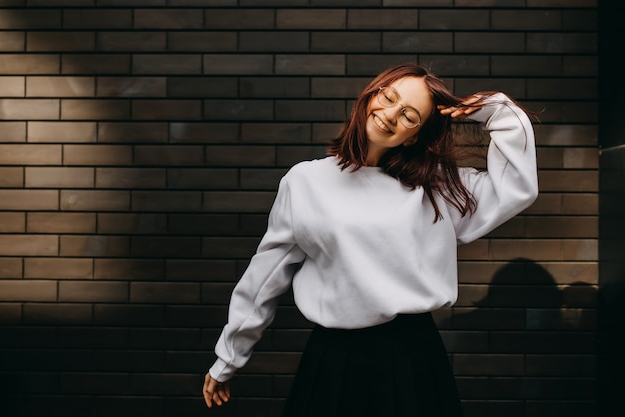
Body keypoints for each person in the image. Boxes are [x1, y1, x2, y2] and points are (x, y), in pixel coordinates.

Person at [202, 62, 539, 417]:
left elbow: (516, 187)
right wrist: (229, 357)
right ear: (370, 96)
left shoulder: (438, 187)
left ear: (414, 135)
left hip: (413, 357)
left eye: (409, 115)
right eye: (388, 97)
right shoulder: (305, 181)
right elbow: (265, 279)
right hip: (334, 357)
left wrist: (495, 110)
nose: (391, 114)